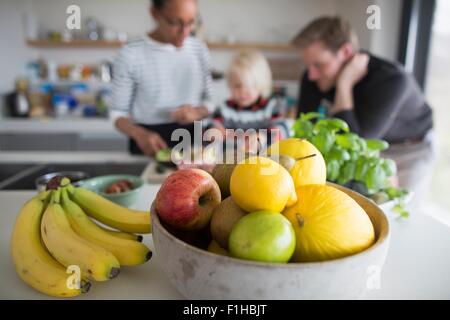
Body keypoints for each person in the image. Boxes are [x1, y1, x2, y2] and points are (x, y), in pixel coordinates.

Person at [292, 16, 435, 202]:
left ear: (345, 51)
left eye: (319, 65)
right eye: (308, 65)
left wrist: (344, 85)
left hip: (410, 149)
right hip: (368, 148)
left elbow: (358, 140)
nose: (310, 74)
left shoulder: (392, 80)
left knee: (401, 211)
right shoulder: (313, 77)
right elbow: (305, 130)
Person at [110, 0, 213, 156]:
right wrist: (138, 134)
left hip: (194, 143)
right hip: (149, 143)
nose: (185, 31)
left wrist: (197, 112)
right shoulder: (131, 53)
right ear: (154, 13)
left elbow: (209, 103)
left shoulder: (199, 49)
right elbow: (117, 113)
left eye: (191, 22)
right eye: (175, 23)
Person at [208, 50, 291, 152]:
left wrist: (262, 137)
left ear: (261, 84)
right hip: (229, 162)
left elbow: (283, 129)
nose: (243, 92)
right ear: (230, 85)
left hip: (263, 162)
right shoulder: (224, 109)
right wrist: (214, 131)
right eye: (237, 86)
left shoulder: (271, 107)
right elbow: (210, 127)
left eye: (250, 86)